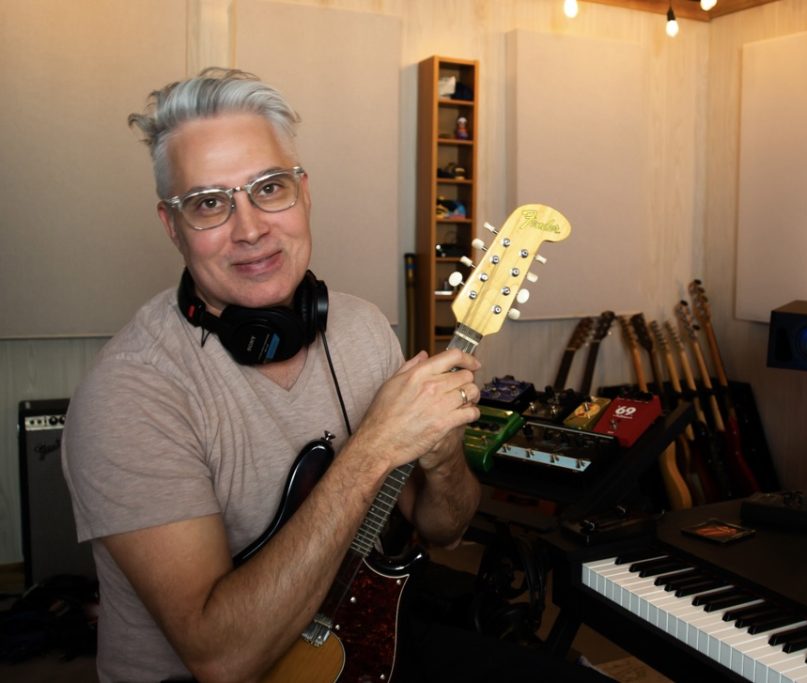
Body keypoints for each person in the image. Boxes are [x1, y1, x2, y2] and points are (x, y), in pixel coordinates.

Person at [61, 68, 608, 683]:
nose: (250, 229)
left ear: (304, 194)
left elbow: (446, 530)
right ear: (171, 226)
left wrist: (442, 452)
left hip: (365, 634)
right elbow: (221, 658)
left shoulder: (363, 330)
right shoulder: (129, 394)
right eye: (210, 203)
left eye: (269, 188)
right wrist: (375, 444)